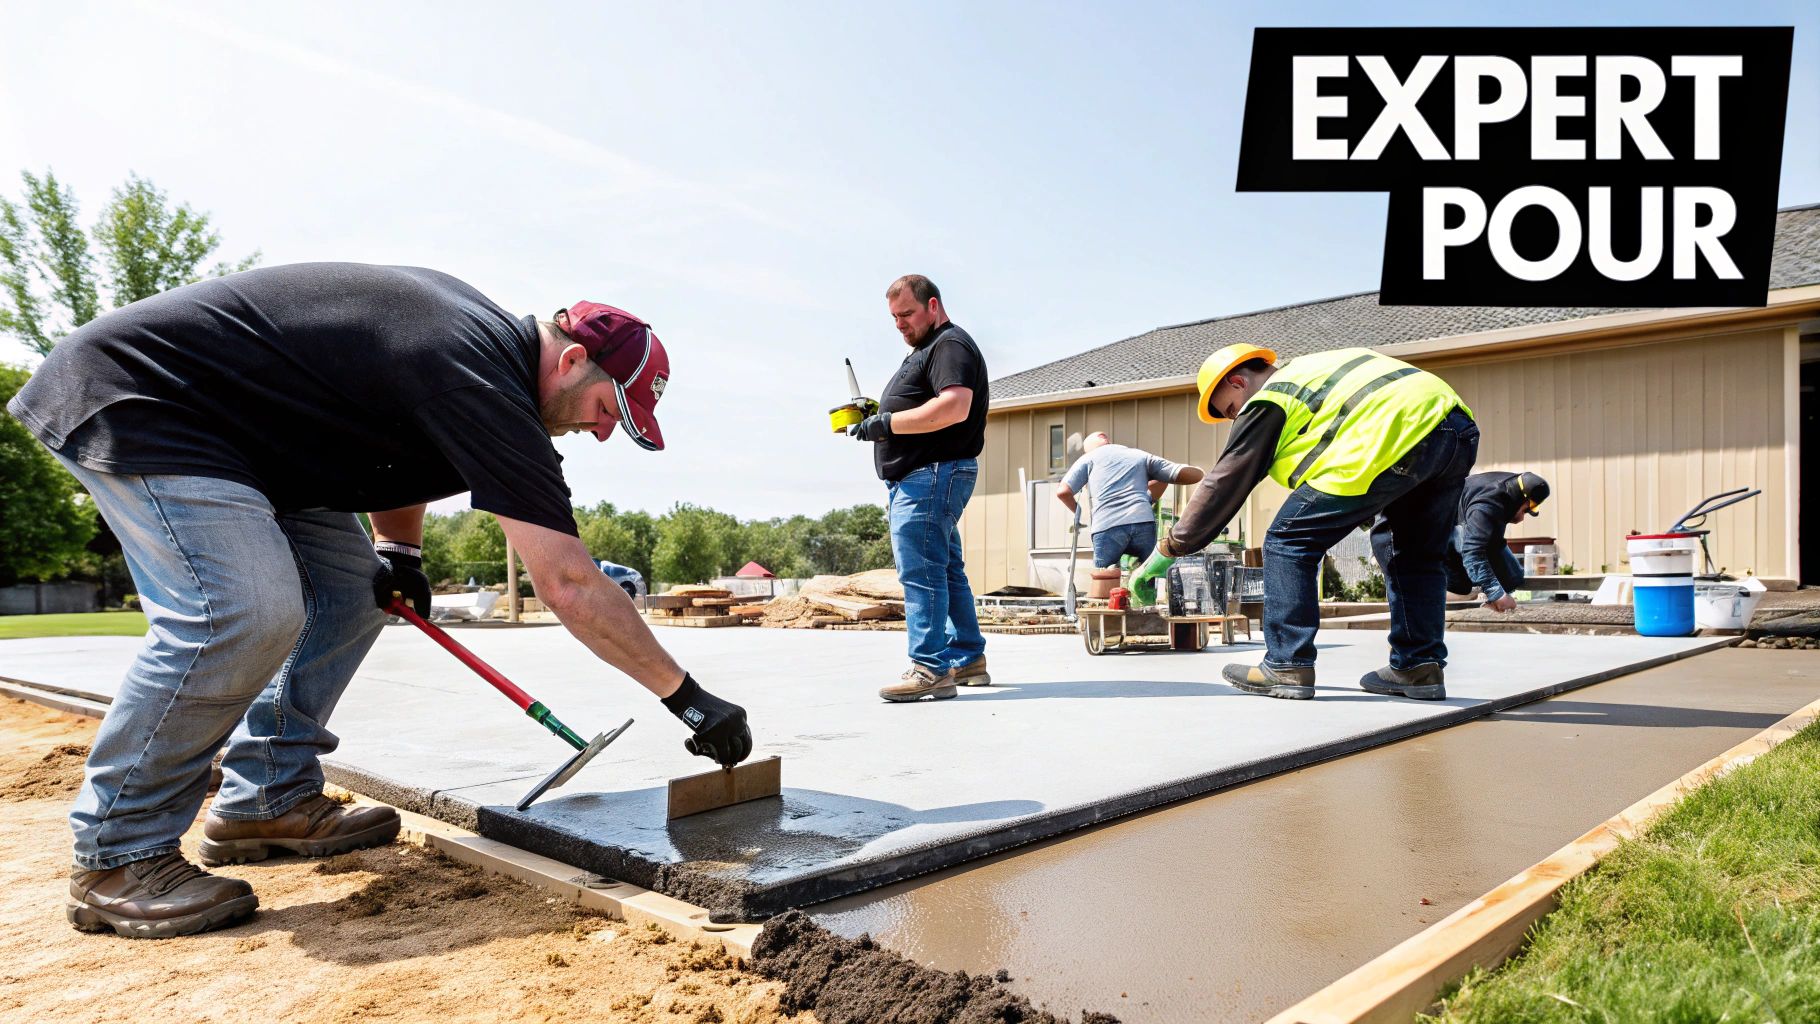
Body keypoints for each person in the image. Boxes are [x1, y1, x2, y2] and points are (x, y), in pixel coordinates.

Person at [6, 263, 753, 939]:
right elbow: (568, 581)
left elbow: (396, 453)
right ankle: (118, 853)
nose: (600, 433)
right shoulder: (476, 374)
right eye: (604, 408)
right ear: (570, 360)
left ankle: (265, 795)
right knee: (240, 610)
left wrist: (398, 554)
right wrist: (685, 696)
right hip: (151, 399)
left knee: (355, 595)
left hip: (266, 449)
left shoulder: (473, 357)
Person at [1129, 343, 1478, 702]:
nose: (1237, 419)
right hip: (1453, 426)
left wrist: (1169, 547)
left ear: (1237, 382)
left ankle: (1286, 665)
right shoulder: (1319, 369)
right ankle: (1418, 667)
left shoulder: (1272, 397)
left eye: (1232, 410)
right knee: (1412, 553)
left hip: (1387, 433)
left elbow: (1224, 484)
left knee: (1288, 542)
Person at [846, 274, 990, 703]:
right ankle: (965, 658)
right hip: (930, 475)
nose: (900, 324)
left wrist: (885, 423)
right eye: (893, 318)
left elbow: (955, 405)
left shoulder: (949, 344)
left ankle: (930, 667)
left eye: (906, 314)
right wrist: (879, 412)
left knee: (922, 572)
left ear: (933, 305)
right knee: (944, 568)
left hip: (931, 475)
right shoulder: (931, 349)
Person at [1055, 432, 1204, 567]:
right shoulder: (1138, 455)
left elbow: (1063, 492)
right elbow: (1169, 476)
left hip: (1107, 525)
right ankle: (1146, 595)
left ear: (1089, 448)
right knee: (1147, 574)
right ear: (1106, 440)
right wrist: (1147, 499)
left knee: (1106, 578)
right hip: (1142, 521)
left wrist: (1078, 512)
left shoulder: (1089, 458)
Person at [1446, 471, 1550, 612]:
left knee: (1513, 576)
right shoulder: (1487, 504)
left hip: (1461, 526)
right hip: (1440, 537)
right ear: (1521, 500)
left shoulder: (1510, 490)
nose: (1522, 518)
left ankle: (1485, 595)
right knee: (1461, 587)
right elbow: (1472, 552)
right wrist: (1498, 595)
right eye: (1525, 511)